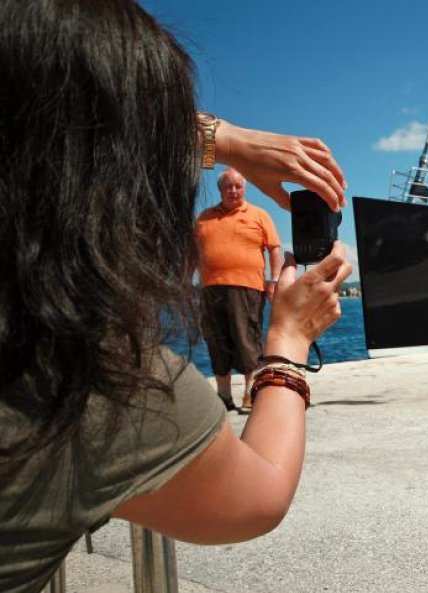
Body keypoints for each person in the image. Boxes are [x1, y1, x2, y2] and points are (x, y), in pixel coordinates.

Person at [0, 1, 350, 592]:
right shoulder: (81, 380)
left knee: (235, 341)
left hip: (241, 287)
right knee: (227, 346)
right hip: (211, 290)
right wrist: (288, 341)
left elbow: (56, 113)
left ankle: (236, 390)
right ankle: (234, 391)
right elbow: (257, 497)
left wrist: (221, 140)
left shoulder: (256, 217)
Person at [196, 168, 283, 413]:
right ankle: (223, 397)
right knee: (216, 341)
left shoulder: (259, 215)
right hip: (210, 287)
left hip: (247, 286)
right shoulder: (203, 217)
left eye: (238, 186)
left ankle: (250, 393)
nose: (233, 191)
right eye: (228, 187)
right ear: (221, 190)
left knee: (247, 340)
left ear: (244, 189)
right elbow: (194, 253)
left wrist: (273, 281)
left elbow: (274, 249)